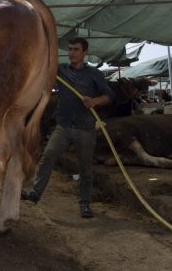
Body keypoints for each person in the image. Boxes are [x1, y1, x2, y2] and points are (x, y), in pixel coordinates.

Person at [21, 37, 114, 218]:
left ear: (84, 52)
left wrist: (95, 101)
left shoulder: (94, 74)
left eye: (76, 50)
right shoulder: (61, 70)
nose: (71, 53)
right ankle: (35, 194)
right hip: (63, 126)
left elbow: (110, 95)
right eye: (70, 49)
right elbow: (44, 66)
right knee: (48, 156)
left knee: (85, 168)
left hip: (85, 128)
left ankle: (85, 204)